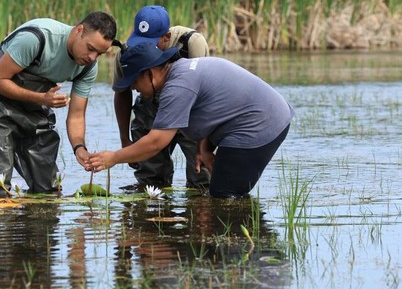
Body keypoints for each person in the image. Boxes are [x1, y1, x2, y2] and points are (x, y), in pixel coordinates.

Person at [88, 43, 294, 198]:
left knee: (225, 197)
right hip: (267, 116)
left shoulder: (177, 87)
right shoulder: (182, 71)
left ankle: (244, 249)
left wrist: (113, 158)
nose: (134, 90)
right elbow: (217, 110)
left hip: (260, 124)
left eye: (134, 83)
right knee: (224, 194)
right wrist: (204, 149)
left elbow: (156, 141)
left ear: (149, 73)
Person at [0, 12, 117, 200]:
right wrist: (41, 99)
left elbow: (77, 115)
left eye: (100, 53)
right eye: (90, 48)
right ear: (79, 30)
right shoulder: (36, 39)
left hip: (35, 104)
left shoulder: (88, 67)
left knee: (49, 188)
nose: (92, 58)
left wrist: (80, 148)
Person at [112, 5, 210, 189]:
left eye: (149, 43)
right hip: (150, 109)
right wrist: (125, 139)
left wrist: (203, 146)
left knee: (202, 177)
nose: (141, 47)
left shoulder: (191, 43)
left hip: (191, 110)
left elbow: (204, 95)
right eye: (138, 41)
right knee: (150, 179)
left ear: (166, 38)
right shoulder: (126, 53)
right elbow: (122, 94)